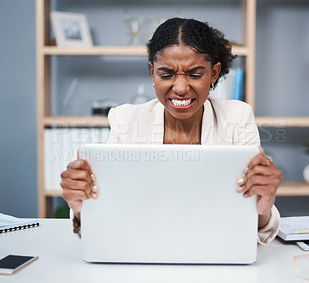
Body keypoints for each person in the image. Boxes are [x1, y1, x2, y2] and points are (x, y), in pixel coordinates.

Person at [61, 18, 283, 245]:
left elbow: (253, 229)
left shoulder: (238, 117)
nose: (180, 88)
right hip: (144, 245)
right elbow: (108, 218)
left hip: (216, 245)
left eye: (195, 75)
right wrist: (81, 209)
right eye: (166, 74)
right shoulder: (126, 120)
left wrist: (263, 207)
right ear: (152, 71)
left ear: (214, 74)